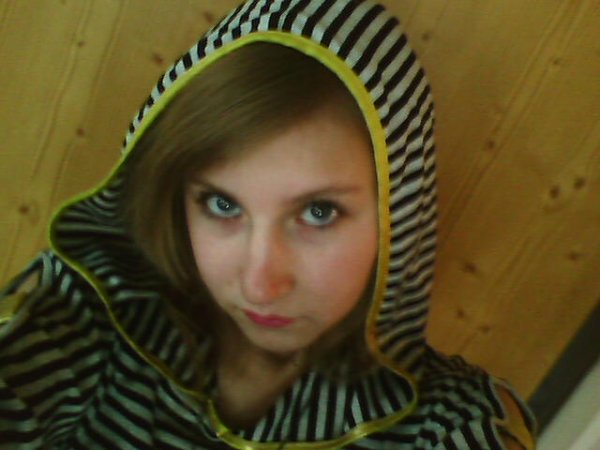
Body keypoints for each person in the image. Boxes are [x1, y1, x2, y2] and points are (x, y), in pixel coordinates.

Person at [0, 0, 536, 448]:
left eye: (319, 212)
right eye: (221, 205)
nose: (260, 284)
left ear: (398, 217)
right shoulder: (83, 315)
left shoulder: (447, 425)